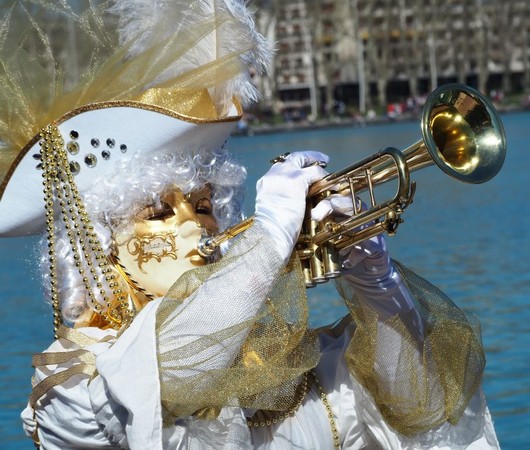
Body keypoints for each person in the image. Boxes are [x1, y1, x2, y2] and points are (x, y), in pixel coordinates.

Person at [0, 1, 500, 448]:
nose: (194, 228)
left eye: (203, 207)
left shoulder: (296, 367)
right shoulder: (74, 387)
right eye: (157, 214)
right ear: (103, 252)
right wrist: (268, 242)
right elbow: (160, 378)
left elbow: (427, 411)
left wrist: (378, 287)